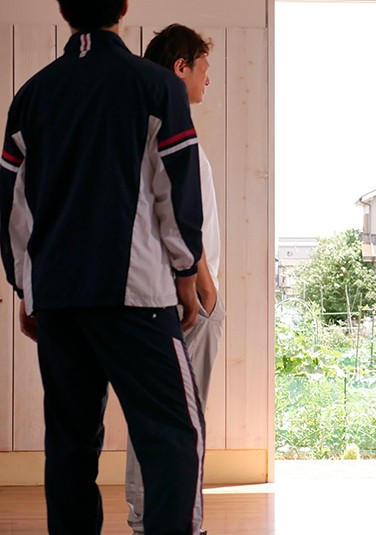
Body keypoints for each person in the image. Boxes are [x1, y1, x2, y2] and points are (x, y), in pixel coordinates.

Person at [0, 1, 206, 533]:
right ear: (125, 6)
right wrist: (186, 274)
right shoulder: (156, 86)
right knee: (174, 435)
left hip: (57, 299)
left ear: (64, 9)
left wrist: (26, 287)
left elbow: (13, 207)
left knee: (70, 444)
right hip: (136, 295)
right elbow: (175, 189)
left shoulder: (32, 95)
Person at [123, 24, 225, 535]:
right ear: (181, 66)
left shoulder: (139, 122)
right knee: (181, 421)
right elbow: (179, 211)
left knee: (160, 417)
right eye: (203, 68)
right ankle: (169, 521)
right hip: (182, 294)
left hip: (169, 290)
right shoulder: (166, 125)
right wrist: (202, 284)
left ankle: (150, 517)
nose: (208, 79)